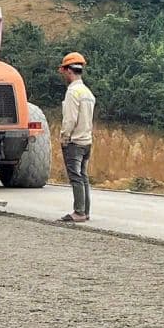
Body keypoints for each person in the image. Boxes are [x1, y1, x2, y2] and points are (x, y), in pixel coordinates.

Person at [58, 52, 95, 223]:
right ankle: (85, 211)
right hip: (87, 141)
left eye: (64, 71)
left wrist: (64, 137)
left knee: (76, 177)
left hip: (75, 142)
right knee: (83, 176)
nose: (63, 75)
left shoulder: (73, 92)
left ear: (69, 70)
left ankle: (78, 212)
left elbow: (70, 119)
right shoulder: (87, 92)